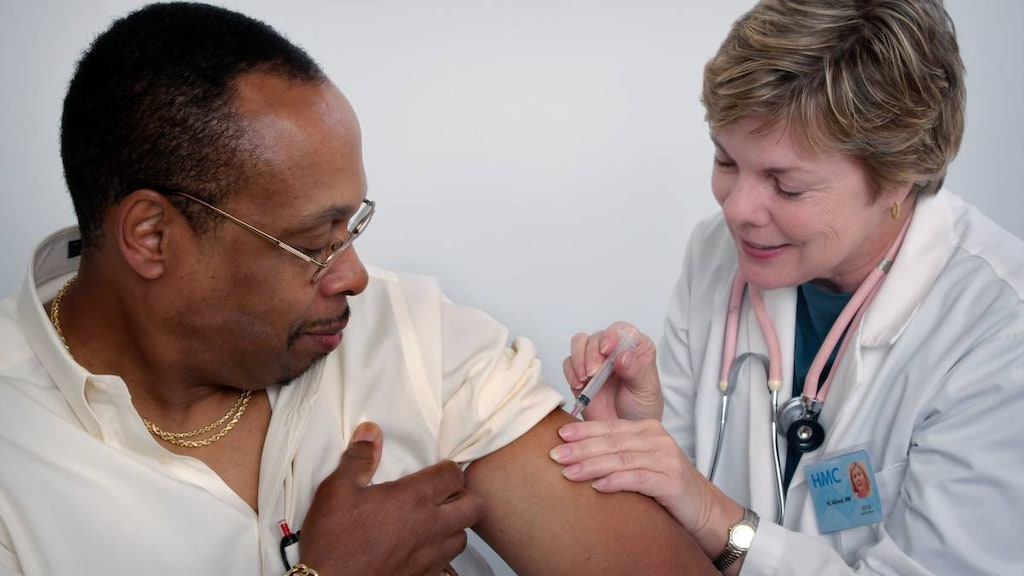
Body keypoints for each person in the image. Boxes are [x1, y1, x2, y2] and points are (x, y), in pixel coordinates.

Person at [0, 4, 715, 575]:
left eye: (354, 227)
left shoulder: (412, 334)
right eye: (312, 246)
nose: (355, 277)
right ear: (152, 237)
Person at [549, 0, 1024, 574]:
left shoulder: (998, 329)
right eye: (726, 161)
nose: (738, 210)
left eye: (787, 186)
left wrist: (716, 516)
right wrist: (640, 432)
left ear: (900, 174)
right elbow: (673, 499)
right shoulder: (716, 254)